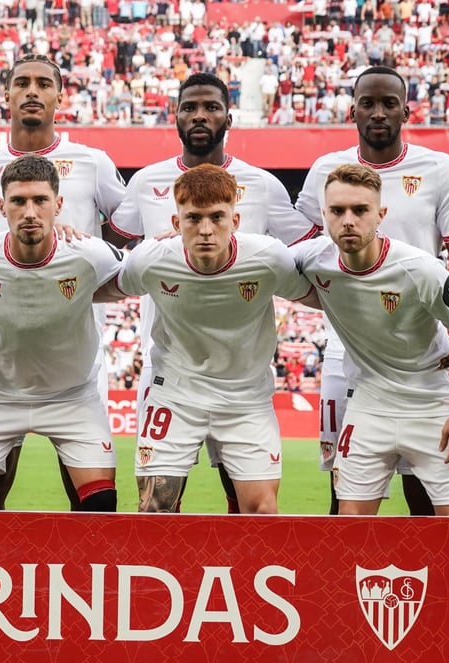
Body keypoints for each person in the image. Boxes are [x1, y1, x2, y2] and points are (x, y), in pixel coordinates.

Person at [292, 163, 449, 663]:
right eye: (336, 211)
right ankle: (340, 645)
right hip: (371, 406)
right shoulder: (312, 262)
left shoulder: (421, 269)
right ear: (323, 215)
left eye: (360, 210)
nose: (348, 220)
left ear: (382, 214)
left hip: (434, 407)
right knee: (349, 526)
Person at [109, 72, 315, 514]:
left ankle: (237, 582)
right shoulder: (147, 182)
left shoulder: (262, 185)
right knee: (155, 508)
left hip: (243, 377)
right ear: (176, 116)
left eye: (211, 107)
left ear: (228, 116)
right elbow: (112, 251)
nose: (200, 116)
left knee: (249, 506)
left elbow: (308, 255)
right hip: (169, 370)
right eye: (190, 107)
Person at [296, 65, 449, 517]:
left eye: (388, 103)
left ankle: (430, 585)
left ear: (406, 111)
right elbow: (303, 250)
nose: (378, 112)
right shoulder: (326, 170)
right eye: (368, 103)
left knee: (425, 480)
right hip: (348, 346)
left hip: (420, 343)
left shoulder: (439, 168)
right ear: (352, 110)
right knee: (347, 479)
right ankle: (348, 583)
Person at [0, 53, 128, 510]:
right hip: (0, 347)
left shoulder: (91, 161)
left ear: (59, 96)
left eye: (42, 83)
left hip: (72, 349)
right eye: (22, 82)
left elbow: (128, 226)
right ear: (7, 95)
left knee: (86, 491)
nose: (32, 91)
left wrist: (87, 248)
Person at [0, 154, 122, 511]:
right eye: (18, 201)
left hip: (73, 397)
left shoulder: (91, 255)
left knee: (101, 507)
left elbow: (136, 281)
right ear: (2, 206)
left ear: (58, 204)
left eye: (40, 201)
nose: (30, 212)